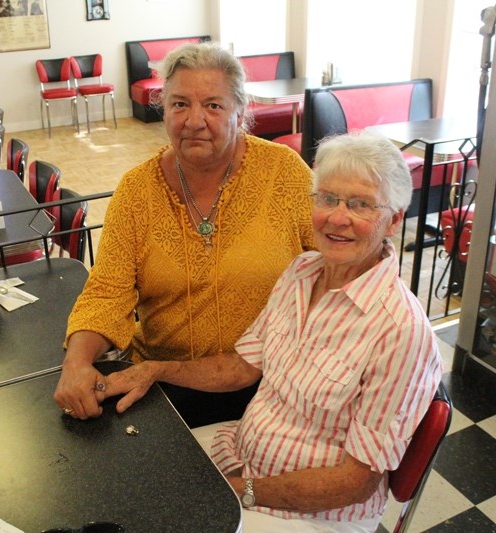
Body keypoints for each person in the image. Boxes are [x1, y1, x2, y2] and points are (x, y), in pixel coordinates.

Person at [102, 131, 443, 532]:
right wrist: (156, 370)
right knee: (136, 484)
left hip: (314, 514)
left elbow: (354, 483)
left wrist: (237, 491)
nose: (337, 217)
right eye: (328, 198)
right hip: (242, 454)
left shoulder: (400, 331)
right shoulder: (302, 272)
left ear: (394, 220)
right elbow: (241, 367)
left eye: (360, 204)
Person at [53, 42, 314, 427]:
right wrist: (76, 362)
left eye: (213, 105)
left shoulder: (284, 172)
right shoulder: (137, 190)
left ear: (240, 112)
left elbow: (332, 267)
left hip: (274, 382)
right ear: (163, 110)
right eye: (179, 104)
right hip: (161, 382)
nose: (194, 120)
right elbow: (108, 290)